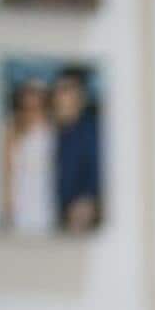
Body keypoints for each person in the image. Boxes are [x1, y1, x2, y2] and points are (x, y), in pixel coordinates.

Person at [0, 78, 56, 236]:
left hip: (45, 193)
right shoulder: (11, 126)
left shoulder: (52, 126)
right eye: (28, 94)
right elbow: (7, 168)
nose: (32, 100)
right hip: (20, 193)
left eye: (36, 94)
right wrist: (7, 201)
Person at [51, 66, 101, 234]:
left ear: (81, 96)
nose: (58, 97)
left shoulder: (91, 133)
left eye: (65, 90)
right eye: (56, 90)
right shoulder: (52, 131)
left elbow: (92, 191)